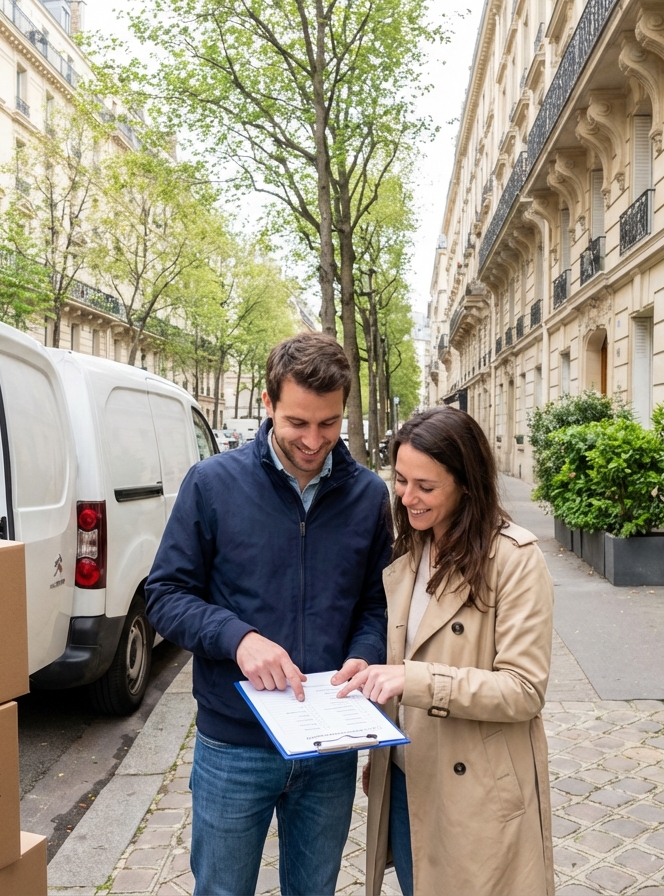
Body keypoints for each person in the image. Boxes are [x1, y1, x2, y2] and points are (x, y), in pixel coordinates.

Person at [146, 333, 392, 896]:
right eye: (297, 422)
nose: (313, 440)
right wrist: (238, 639)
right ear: (267, 403)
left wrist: (364, 652)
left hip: (330, 744)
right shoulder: (212, 483)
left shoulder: (368, 496)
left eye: (328, 424)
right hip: (234, 744)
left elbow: (376, 604)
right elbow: (164, 594)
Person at [338, 406, 556, 896]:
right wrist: (382, 739)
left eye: (426, 487)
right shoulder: (411, 550)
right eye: (401, 481)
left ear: (465, 483)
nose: (408, 498)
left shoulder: (515, 559)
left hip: (476, 785)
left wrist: (411, 680)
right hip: (407, 773)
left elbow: (524, 690)